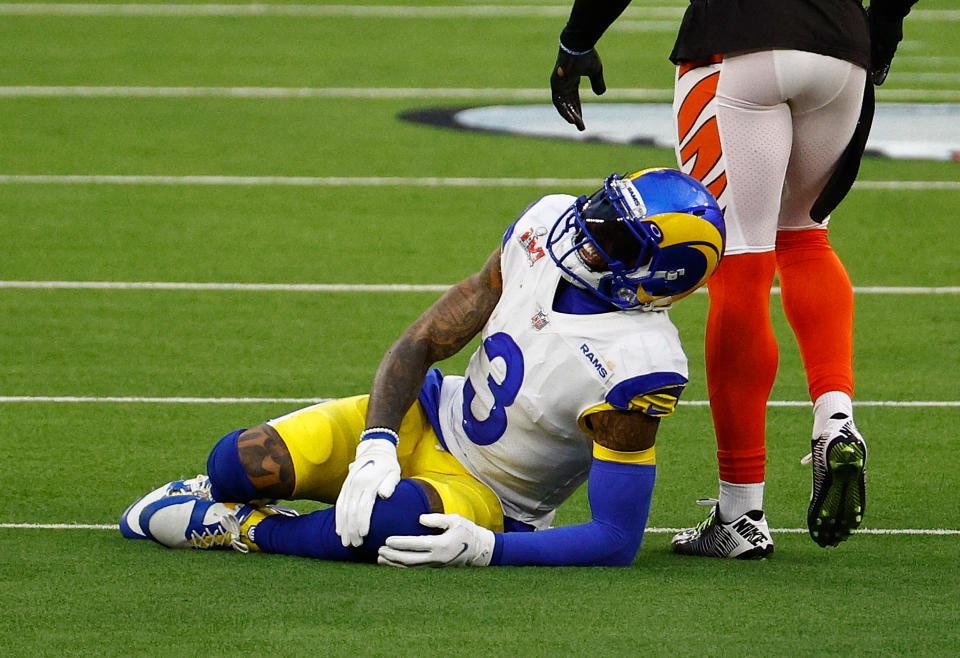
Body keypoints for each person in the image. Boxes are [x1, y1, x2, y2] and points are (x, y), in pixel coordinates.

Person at [119, 168, 725, 567]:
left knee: (388, 525)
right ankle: (226, 492)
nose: (588, 233)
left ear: (661, 276)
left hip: (491, 494)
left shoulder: (639, 366)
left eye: (617, 240)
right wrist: (378, 442)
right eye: (600, 211)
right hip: (427, 415)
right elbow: (424, 341)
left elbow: (617, 539)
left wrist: (493, 549)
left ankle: (241, 531)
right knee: (239, 461)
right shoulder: (545, 226)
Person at [549, 0, 917, 558]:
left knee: (739, 263)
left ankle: (740, 513)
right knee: (807, 237)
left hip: (738, 42)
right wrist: (878, 36)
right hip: (843, 48)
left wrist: (578, 40)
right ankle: (835, 419)